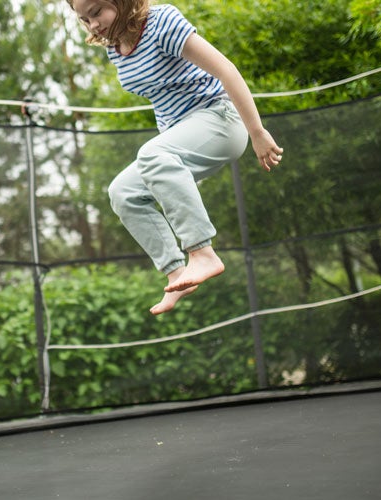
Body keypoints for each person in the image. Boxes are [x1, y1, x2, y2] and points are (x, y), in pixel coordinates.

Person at [66, 0, 284, 314]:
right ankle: (177, 273)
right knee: (123, 192)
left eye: (97, 12)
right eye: (84, 19)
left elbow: (226, 70)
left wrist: (257, 132)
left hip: (220, 119)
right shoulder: (115, 45)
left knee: (151, 153)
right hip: (183, 133)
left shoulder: (160, 22)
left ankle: (202, 252)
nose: (93, 25)